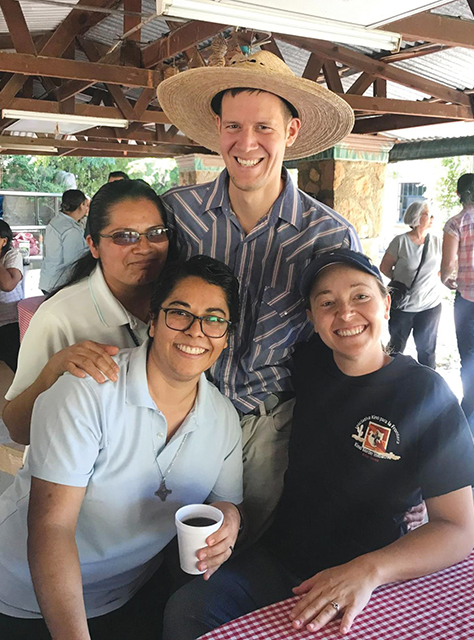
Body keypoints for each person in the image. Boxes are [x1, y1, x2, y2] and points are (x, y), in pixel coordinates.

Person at [164, 249, 474, 640]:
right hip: (280, 560)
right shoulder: (308, 362)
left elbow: (459, 528)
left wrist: (369, 570)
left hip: (369, 576)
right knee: (187, 610)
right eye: (327, 303)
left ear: (387, 302)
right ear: (311, 318)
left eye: (361, 296)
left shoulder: (425, 394)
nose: (345, 313)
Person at [157, 49, 360, 538]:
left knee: (242, 545)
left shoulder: (326, 236)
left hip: (266, 425)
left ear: (291, 131)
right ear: (217, 129)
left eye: (264, 128)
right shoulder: (176, 215)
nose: (246, 143)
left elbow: (346, 343)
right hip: (178, 410)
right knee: (154, 536)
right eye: (232, 126)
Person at [0, 255, 243, 640]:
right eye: (180, 313)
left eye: (214, 319)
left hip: (128, 594)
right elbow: (51, 528)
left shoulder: (224, 418)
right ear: (154, 318)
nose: (197, 331)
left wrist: (230, 521)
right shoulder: (87, 393)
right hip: (28, 598)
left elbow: (226, 502)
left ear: (227, 335)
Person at [3, 179, 171, 445]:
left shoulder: (177, 304)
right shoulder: (58, 318)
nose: (144, 247)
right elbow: (17, 429)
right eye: (124, 236)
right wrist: (54, 369)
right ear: (93, 245)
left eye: (156, 232)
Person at [380, 200, 442, 369]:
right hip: (403, 307)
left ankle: (428, 386)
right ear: (416, 217)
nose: (432, 218)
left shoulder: (437, 242)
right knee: (396, 349)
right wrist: (402, 281)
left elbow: (442, 269)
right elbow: (384, 267)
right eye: (428, 214)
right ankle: (391, 383)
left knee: (427, 351)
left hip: (430, 306)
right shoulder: (400, 242)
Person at [441, 173, 474, 434]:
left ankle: (469, 412)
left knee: (469, 356)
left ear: (458, 195)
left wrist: (446, 279)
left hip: (467, 300)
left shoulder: (456, 223)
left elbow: (448, 264)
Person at [39, 189, 89, 294]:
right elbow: (74, 261)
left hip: (48, 280)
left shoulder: (56, 221)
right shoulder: (71, 230)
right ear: (81, 205)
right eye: (86, 205)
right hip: (59, 284)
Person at [0, 219, 24, 371]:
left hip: (9, 321)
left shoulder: (12, 256)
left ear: (3, 241)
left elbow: (8, 285)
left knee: (11, 363)